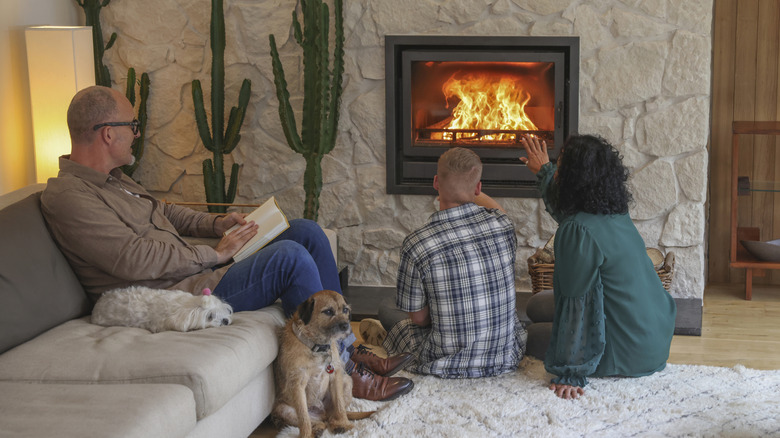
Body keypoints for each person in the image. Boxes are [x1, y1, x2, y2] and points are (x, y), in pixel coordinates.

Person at [40, 85, 412, 401]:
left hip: (195, 272)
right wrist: (215, 253)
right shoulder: (70, 196)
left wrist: (217, 223)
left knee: (306, 231)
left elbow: (166, 212)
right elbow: (133, 259)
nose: (137, 133)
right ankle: (342, 372)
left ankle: (348, 347)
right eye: (132, 125)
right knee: (290, 257)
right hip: (173, 297)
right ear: (108, 133)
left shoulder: (115, 179)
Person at [519, 133, 677, 400]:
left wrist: (571, 371)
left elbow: (576, 303)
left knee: (531, 335)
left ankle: (588, 362)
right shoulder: (614, 211)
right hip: (654, 333)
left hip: (625, 348)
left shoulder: (577, 230)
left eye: (560, 165)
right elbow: (566, 211)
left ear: (571, 179)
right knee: (535, 305)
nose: (556, 169)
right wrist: (544, 171)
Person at [376, 147, 527, 378]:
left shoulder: (418, 244)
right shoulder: (502, 225)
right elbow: (499, 210)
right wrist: (470, 190)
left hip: (447, 361)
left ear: (436, 183)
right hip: (502, 356)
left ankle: (386, 339)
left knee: (388, 307)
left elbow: (419, 319)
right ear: (478, 188)